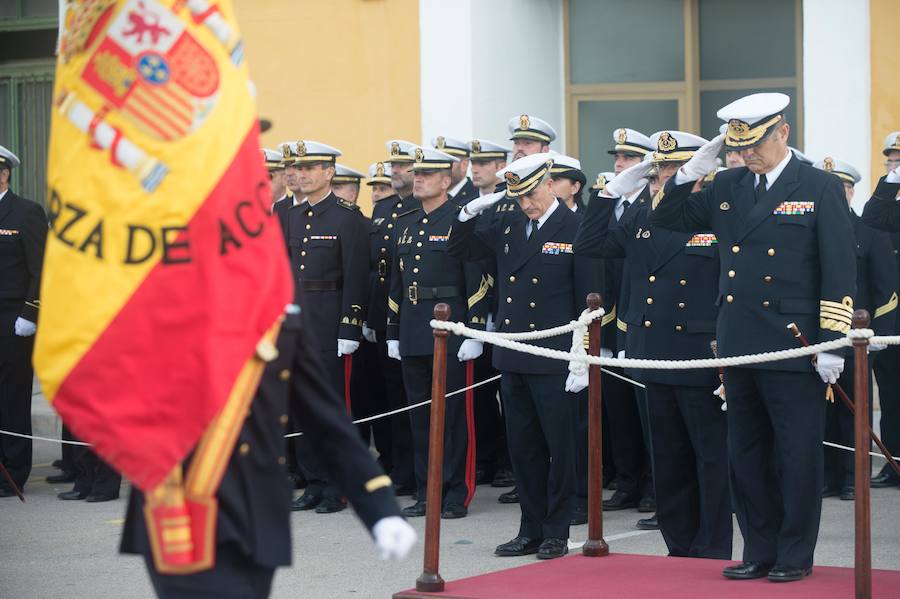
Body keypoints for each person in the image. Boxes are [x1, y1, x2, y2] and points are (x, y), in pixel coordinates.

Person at [650, 92, 857, 582]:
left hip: (794, 342)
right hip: (740, 340)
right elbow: (665, 219)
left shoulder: (819, 186)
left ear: (782, 132)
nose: (749, 153)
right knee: (745, 454)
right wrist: (686, 175)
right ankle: (758, 549)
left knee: (796, 456)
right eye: (741, 145)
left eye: (759, 142)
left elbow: (840, 269)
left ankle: (794, 554)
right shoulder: (728, 184)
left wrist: (832, 340)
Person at [122, 306, 417, 598]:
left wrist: (378, 506)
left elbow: (322, 414)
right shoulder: (161, 294)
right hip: (179, 505)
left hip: (256, 509)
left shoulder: (278, 302)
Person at [575, 132, 732, 560]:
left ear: (698, 172)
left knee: (710, 458)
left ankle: (713, 546)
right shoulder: (642, 214)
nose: (664, 176)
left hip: (701, 353)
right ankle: (679, 545)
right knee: (668, 457)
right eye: (659, 168)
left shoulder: (715, 211)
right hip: (652, 349)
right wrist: (608, 195)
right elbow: (589, 246)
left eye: (673, 168)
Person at [449, 153, 603, 559]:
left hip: (555, 355)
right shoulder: (508, 222)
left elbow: (590, 299)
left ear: (550, 183)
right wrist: (467, 211)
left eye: (531, 194)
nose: (526, 204)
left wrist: (582, 356)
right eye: (518, 197)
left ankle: (556, 529)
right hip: (514, 353)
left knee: (560, 447)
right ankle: (529, 528)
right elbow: (460, 251)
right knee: (524, 449)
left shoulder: (576, 226)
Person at [386, 146, 489, 520]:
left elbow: (477, 280)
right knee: (420, 417)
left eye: (427, 175)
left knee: (454, 416)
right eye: (417, 174)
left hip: (451, 329)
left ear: (446, 181)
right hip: (415, 329)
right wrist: (393, 332)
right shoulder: (405, 223)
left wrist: (474, 331)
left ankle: (455, 492)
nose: (418, 179)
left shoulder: (460, 221)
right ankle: (427, 491)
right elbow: (396, 285)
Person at [284, 140, 369, 514]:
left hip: (330, 321)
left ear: (329, 173)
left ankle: (338, 485)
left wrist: (349, 327)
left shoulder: (346, 216)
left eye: (310, 168)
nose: (300, 174)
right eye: (298, 168)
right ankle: (315, 481)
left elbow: (355, 277)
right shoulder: (292, 216)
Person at [814, 157, 897, 500]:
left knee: (854, 409)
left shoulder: (869, 229)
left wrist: (878, 335)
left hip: (856, 338)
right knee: (820, 411)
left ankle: (851, 476)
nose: (839, 193)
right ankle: (825, 476)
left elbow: (886, 289)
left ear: (851, 192)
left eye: (844, 188)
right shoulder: (810, 228)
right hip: (817, 337)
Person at [592, 129, 656, 528]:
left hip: (640, 321)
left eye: (629, 159)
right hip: (611, 322)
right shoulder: (617, 206)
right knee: (618, 408)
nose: (619, 165)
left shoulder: (650, 205)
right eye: (617, 158)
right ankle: (629, 480)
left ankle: (652, 484)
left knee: (647, 409)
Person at [352, 160, 416, 497]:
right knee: (390, 400)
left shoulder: (415, 209)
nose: (399, 172)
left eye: (406, 165)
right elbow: (374, 268)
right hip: (383, 315)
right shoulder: (385, 210)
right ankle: (399, 467)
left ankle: (414, 470)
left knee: (412, 403)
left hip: (413, 318)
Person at [0, 144, 46, 499]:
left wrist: (30, 313)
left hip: (13, 320)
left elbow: (40, 269)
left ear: (5, 173)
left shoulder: (26, 213)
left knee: (13, 397)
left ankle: (14, 471)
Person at [863, 131, 900, 489]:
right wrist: (891, 182)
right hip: (894, 320)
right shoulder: (890, 208)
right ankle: (894, 464)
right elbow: (871, 217)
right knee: (891, 396)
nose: (895, 164)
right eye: (892, 161)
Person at [432, 136, 478, 206]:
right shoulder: (430, 195)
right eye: (438, 162)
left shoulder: (476, 197)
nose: (440, 167)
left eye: (447, 162)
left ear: (464, 165)